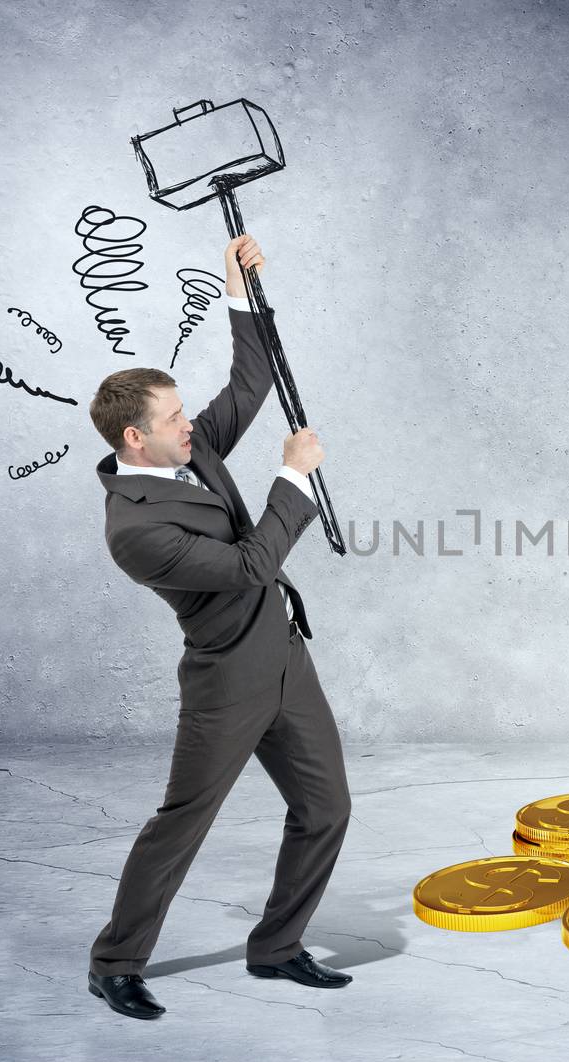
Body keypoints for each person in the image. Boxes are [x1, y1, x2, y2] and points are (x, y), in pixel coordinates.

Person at [83, 234, 353, 1020]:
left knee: (326, 807)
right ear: (136, 438)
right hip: (226, 680)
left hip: (283, 658)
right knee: (182, 823)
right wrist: (293, 476)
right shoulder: (133, 527)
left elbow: (249, 380)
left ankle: (276, 947)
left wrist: (237, 288)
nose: (188, 421)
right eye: (172, 416)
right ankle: (115, 961)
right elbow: (246, 567)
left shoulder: (189, 453)